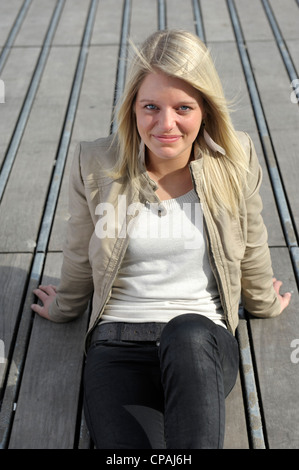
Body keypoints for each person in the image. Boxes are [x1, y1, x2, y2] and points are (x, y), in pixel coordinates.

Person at [31, 29, 291, 449]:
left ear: (205, 109)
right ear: (132, 108)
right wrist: (65, 306)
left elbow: (252, 241)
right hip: (117, 346)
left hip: (200, 344)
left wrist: (262, 301)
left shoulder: (234, 159)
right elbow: (81, 250)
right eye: (150, 106)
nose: (165, 124)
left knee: (185, 332)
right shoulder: (97, 163)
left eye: (183, 107)